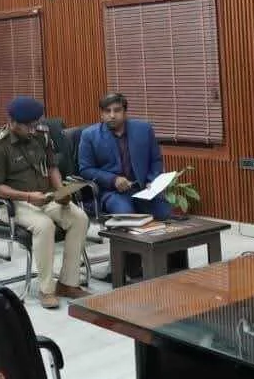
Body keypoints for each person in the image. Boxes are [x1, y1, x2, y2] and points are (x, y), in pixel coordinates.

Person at [0, 96, 91, 309]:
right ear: (12, 122)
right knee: (44, 225)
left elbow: (52, 167)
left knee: (79, 218)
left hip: (46, 198)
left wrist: (61, 191)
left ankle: (68, 283)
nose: (33, 130)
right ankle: (46, 289)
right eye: (28, 126)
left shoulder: (42, 135)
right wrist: (28, 197)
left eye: (35, 124)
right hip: (15, 204)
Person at [78, 92, 185, 277]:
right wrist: (113, 180)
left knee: (165, 213)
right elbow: (85, 169)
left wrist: (152, 180)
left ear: (125, 111)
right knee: (126, 214)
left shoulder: (144, 129)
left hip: (142, 190)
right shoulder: (89, 135)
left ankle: (171, 265)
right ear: (101, 114)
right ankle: (129, 269)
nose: (112, 115)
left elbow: (156, 160)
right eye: (107, 111)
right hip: (112, 193)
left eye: (117, 110)